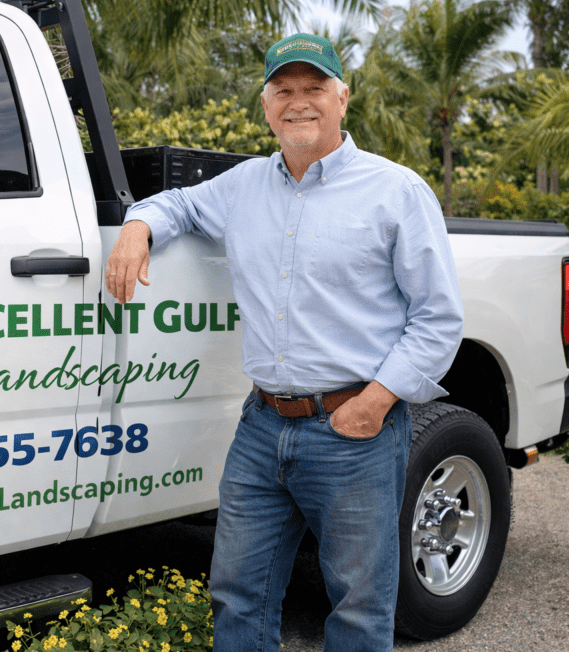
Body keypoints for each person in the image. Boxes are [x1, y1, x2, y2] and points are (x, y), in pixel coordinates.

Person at [104, 33, 464, 652]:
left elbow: (437, 316)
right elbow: (181, 206)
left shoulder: (397, 191)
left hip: (356, 431)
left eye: (314, 88)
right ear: (266, 104)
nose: (299, 102)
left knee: (357, 606)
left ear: (342, 97)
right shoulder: (242, 184)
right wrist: (138, 225)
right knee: (238, 591)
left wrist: (374, 402)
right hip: (262, 425)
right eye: (284, 90)